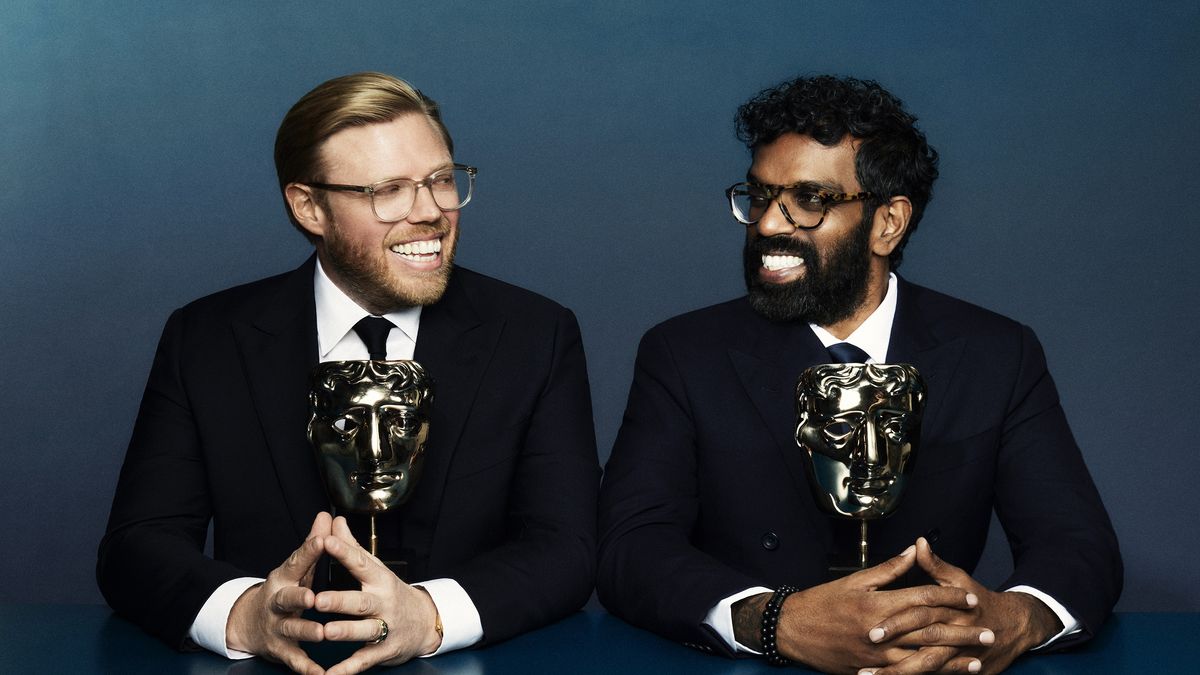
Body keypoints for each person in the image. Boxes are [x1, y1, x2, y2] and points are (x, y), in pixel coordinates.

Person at [596, 75, 1121, 674]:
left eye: (810, 200)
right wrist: (773, 621)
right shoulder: (683, 352)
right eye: (760, 196)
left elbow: (1078, 545)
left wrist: (1013, 620)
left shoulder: (996, 353)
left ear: (888, 222)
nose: (768, 224)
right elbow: (630, 550)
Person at [98, 72, 599, 675]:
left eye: (441, 180)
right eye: (388, 190)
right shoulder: (205, 338)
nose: (432, 212)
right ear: (309, 206)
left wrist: (431, 617)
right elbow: (136, 546)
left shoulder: (535, 334)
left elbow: (566, 548)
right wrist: (242, 614)